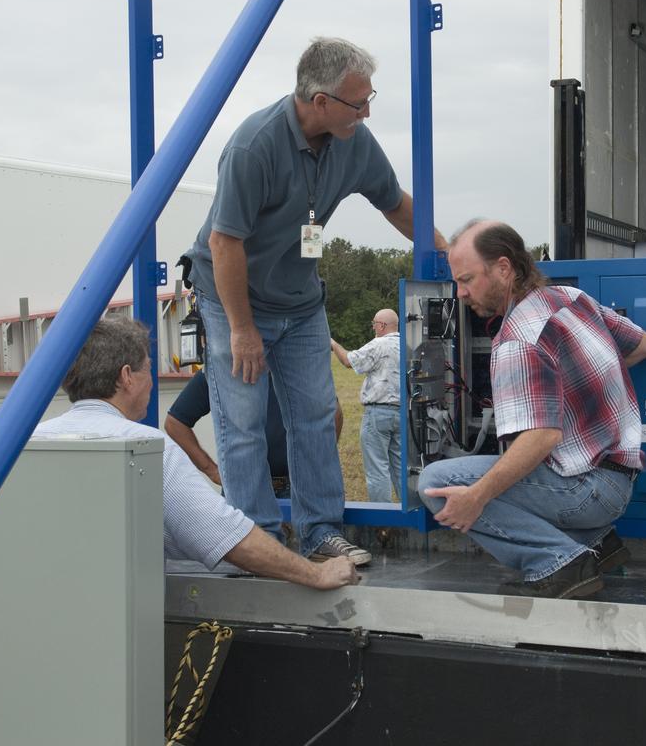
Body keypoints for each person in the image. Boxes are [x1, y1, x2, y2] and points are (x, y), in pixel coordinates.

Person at [183, 36, 446, 567]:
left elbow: (395, 204)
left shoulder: (355, 141)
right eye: (359, 101)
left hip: (301, 303)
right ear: (320, 101)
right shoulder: (253, 146)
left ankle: (320, 532)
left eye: (371, 98)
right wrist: (241, 330)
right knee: (243, 423)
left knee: (316, 416)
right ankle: (257, 542)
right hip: (233, 298)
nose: (367, 111)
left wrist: (449, 252)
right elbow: (223, 242)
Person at [0, 318, 358, 591]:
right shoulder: (144, 448)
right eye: (147, 370)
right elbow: (228, 540)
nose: (150, 383)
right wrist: (314, 574)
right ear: (125, 377)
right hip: (112, 637)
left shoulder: (16, 444)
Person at [418, 220, 646, 599]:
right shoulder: (570, 298)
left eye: (467, 280)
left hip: (585, 492)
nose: (460, 293)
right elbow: (644, 345)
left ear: (503, 268)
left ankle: (561, 562)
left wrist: (475, 498)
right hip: (621, 480)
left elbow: (540, 438)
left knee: (435, 484)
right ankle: (599, 543)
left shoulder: (516, 340)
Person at [163, 368, 345, 496]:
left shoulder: (295, 365)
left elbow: (333, 412)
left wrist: (318, 465)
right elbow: (175, 424)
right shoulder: (220, 368)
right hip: (242, 489)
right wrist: (212, 471)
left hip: (295, 489)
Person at [330, 309, 402, 502]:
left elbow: (348, 361)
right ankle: (408, 513)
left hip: (378, 412)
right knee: (401, 468)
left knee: (377, 469)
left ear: (382, 326)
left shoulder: (379, 344)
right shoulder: (406, 344)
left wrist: (333, 344)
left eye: (374, 324)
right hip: (402, 414)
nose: (373, 327)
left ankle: (383, 522)